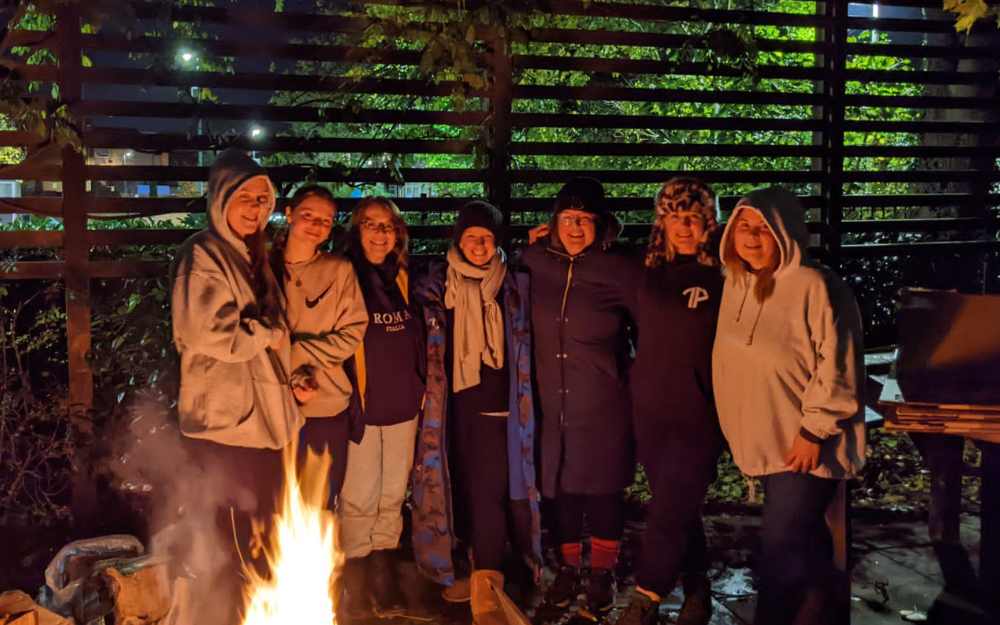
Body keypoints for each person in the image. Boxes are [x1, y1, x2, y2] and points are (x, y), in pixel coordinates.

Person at [712, 187, 865, 625]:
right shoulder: (737, 283)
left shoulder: (815, 286)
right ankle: (819, 608)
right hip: (764, 436)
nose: (753, 237)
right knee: (804, 536)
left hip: (804, 444)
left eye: (765, 228)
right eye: (744, 226)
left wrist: (815, 430)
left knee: (780, 548)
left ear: (787, 232)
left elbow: (838, 361)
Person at [170, 148, 310, 623]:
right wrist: (267, 334)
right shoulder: (202, 255)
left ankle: (265, 612)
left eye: (262, 198)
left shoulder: (254, 257)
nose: (255, 208)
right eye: (245, 197)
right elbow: (208, 332)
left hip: (262, 425)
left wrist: (291, 381)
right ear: (219, 200)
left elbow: (273, 337)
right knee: (231, 544)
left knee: (264, 536)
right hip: (224, 428)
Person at [411, 201, 540, 625]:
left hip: (501, 407)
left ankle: (490, 577)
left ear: (497, 240)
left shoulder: (515, 282)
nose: (479, 245)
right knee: (459, 488)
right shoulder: (437, 283)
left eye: (486, 237)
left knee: (490, 492)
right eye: (471, 237)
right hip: (451, 408)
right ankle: (471, 563)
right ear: (458, 241)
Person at [520, 177, 638, 614]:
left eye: (585, 219)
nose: (575, 227)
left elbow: (656, 325)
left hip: (604, 402)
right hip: (551, 401)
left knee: (604, 490)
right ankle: (569, 570)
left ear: (601, 224)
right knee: (561, 489)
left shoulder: (622, 268)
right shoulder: (533, 261)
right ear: (553, 222)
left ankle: (602, 574)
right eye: (568, 218)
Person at [616, 178, 724, 625]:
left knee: (667, 509)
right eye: (675, 215)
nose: (684, 225)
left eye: (694, 216)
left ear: (708, 222)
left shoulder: (725, 274)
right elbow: (592, 257)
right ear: (662, 221)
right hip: (650, 411)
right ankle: (698, 590)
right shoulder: (646, 271)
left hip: (699, 413)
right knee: (677, 506)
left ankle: (646, 596)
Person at [339, 197, 426, 618]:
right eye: (370, 224)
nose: (379, 232)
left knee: (393, 493)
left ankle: (384, 572)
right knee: (357, 494)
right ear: (356, 231)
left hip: (404, 404)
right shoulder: (343, 275)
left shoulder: (410, 277)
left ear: (398, 232)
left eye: (386, 225)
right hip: (360, 405)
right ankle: (355, 577)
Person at [271, 184, 368, 502]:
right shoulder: (262, 269)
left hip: (327, 404)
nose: (316, 225)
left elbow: (353, 330)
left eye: (325, 220)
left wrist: (297, 353)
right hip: (271, 405)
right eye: (308, 215)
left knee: (321, 501)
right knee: (273, 503)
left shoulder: (338, 270)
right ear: (289, 214)